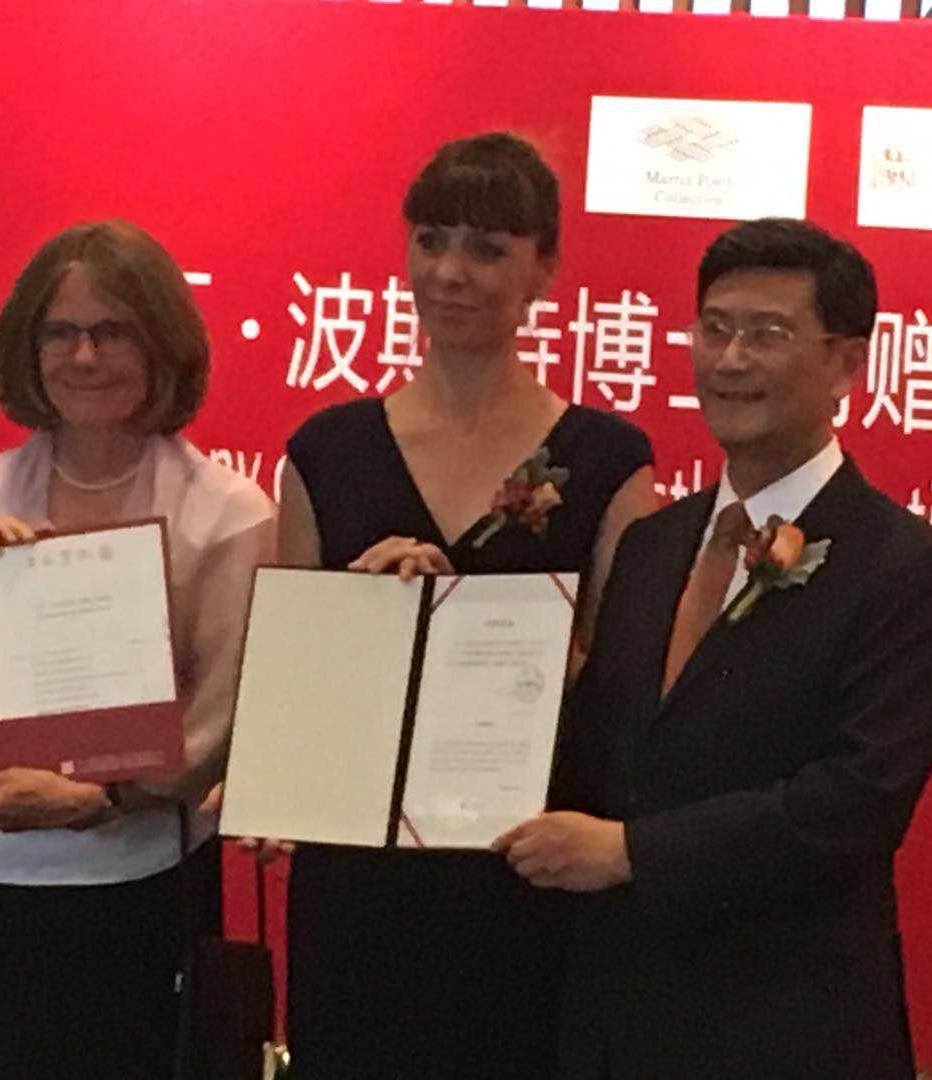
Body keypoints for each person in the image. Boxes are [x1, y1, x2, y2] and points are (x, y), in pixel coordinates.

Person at [496, 218, 932, 1078]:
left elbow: (853, 803)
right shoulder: (654, 544)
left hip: (786, 1027)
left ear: (847, 364)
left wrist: (632, 853)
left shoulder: (907, 568)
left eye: (768, 333)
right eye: (714, 328)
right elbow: (604, 749)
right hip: (616, 1021)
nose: (730, 359)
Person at [270, 132, 657, 1078]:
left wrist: (495, 637)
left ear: (544, 270)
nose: (450, 272)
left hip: (526, 866)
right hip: (361, 880)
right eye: (431, 240)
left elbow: (618, 688)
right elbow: (296, 689)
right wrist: (365, 620)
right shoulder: (327, 449)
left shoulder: (608, 460)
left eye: (487, 249)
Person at [0, 219, 276, 1078]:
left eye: (113, 332)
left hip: (140, 894)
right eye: (60, 332)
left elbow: (220, 718)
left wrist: (104, 798)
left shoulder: (228, 514)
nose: (84, 356)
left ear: (162, 345)